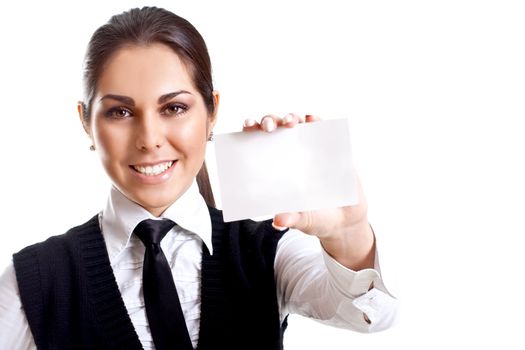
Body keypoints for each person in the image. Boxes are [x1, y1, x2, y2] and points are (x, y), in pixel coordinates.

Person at [0, 6, 397, 350]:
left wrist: (348, 231)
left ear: (212, 112)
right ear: (86, 123)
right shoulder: (31, 281)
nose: (150, 139)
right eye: (120, 112)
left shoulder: (266, 249)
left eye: (173, 108)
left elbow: (371, 314)